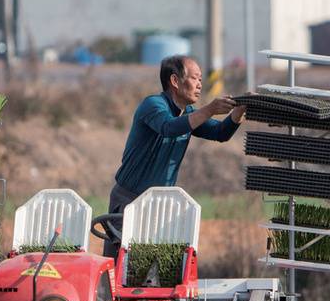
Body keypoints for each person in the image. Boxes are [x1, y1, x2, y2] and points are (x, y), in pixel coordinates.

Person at [103, 55, 246, 257]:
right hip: (129, 200)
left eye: (200, 79)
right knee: (121, 267)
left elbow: (221, 133)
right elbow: (168, 128)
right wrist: (210, 109)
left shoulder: (187, 113)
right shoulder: (152, 105)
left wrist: (238, 111)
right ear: (175, 81)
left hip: (159, 204)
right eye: (195, 78)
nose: (199, 84)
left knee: (152, 271)